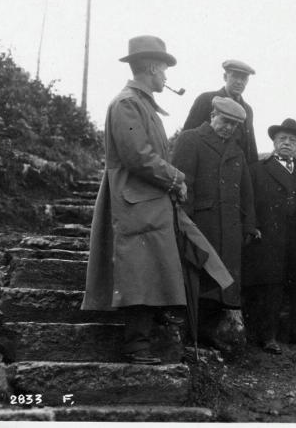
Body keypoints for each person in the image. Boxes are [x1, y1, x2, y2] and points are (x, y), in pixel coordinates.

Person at [82, 36, 215, 365]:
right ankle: (136, 346)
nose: (167, 77)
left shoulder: (142, 104)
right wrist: (176, 177)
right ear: (153, 68)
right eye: (165, 70)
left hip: (147, 200)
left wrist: (171, 182)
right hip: (135, 201)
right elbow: (137, 155)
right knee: (139, 271)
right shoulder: (128, 103)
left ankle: (146, 336)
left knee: (152, 268)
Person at [171, 96, 257, 351]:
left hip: (230, 227)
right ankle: (192, 333)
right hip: (200, 224)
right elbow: (183, 184)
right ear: (212, 115)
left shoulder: (237, 151)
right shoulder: (191, 139)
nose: (228, 128)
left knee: (223, 282)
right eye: (225, 120)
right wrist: (182, 222)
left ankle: (212, 333)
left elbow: (246, 192)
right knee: (200, 277)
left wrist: (249, 225)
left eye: (234, 124)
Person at [242, 119, 296, 354]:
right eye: (282, 139)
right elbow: (246, 204)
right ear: (274, 142)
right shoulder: (256, 170)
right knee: (271, 287)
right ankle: (267, 336)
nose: (287, 144)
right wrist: (252, 227)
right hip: (269, 240)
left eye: (292, 140)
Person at [183, 59, 258, 163]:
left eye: (244, 78)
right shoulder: (206, 99)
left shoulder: (247, 110)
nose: (239, 82)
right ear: (225, 77)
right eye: (235, 76)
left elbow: (250, 145)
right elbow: (187, 137)